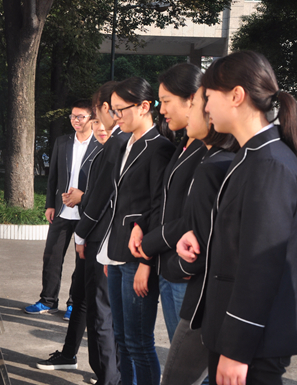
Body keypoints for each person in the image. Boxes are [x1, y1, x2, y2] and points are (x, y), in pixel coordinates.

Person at [177, 51, 297, 385]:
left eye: (208, 97)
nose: (205, 107)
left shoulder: (269, 163)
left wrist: (236, 350)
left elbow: (260, 265)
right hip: (235, 332)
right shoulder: (251, 155)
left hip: (254, 342)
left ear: (236, 96)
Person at [37, 82, 128, 385]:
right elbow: (56, 181)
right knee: (81, 297)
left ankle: (110, 376)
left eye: (102, 119)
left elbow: (109, 201)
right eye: (97, 121)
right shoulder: (84, 146)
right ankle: (70, 355)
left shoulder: (122, 148)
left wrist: (82, 203)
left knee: (103, 313)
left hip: (103, 243)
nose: (100, 127)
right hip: (85, 234)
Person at [160, 86, 238, 385]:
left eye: (193, 105)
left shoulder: (217, 164)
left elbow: (203, 239)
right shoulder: (213, 159)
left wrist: (175, 263)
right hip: (199, 285)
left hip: (199, 286)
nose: (164, 110)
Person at [101, 77, 175, 385]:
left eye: (120, 110)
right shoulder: (125, 144)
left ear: (145, 107)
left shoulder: (160, 148)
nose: (116, 116)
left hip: (139, 256)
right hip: (118, 253)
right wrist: (108, 253)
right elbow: (119, 201)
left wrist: (147, 262)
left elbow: (160, 206)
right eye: (113, 110)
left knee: (139, 342)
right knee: (121, 337)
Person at [130, 63, 207, 343]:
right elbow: (162, 201)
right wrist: (141, 225)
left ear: (193, 100)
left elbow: (192, 218)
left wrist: (148, 247)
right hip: (168, 264)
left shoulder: (210, 152)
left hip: (184, 268)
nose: (161, 110)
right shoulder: (185, 145)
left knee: (188, 364)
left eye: (166, 101)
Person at [25, 99, 101, 319]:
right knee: (51, 257)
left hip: (85, 213)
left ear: (91, 118)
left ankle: (74, 304)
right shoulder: (63, 142)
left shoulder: (100, 144)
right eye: (72, 116)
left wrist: (83, 199)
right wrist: (50, 204)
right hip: (61, 212)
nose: (75, 120)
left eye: (80, 116)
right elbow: (53, 177)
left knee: (82, 261)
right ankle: (47, 300)